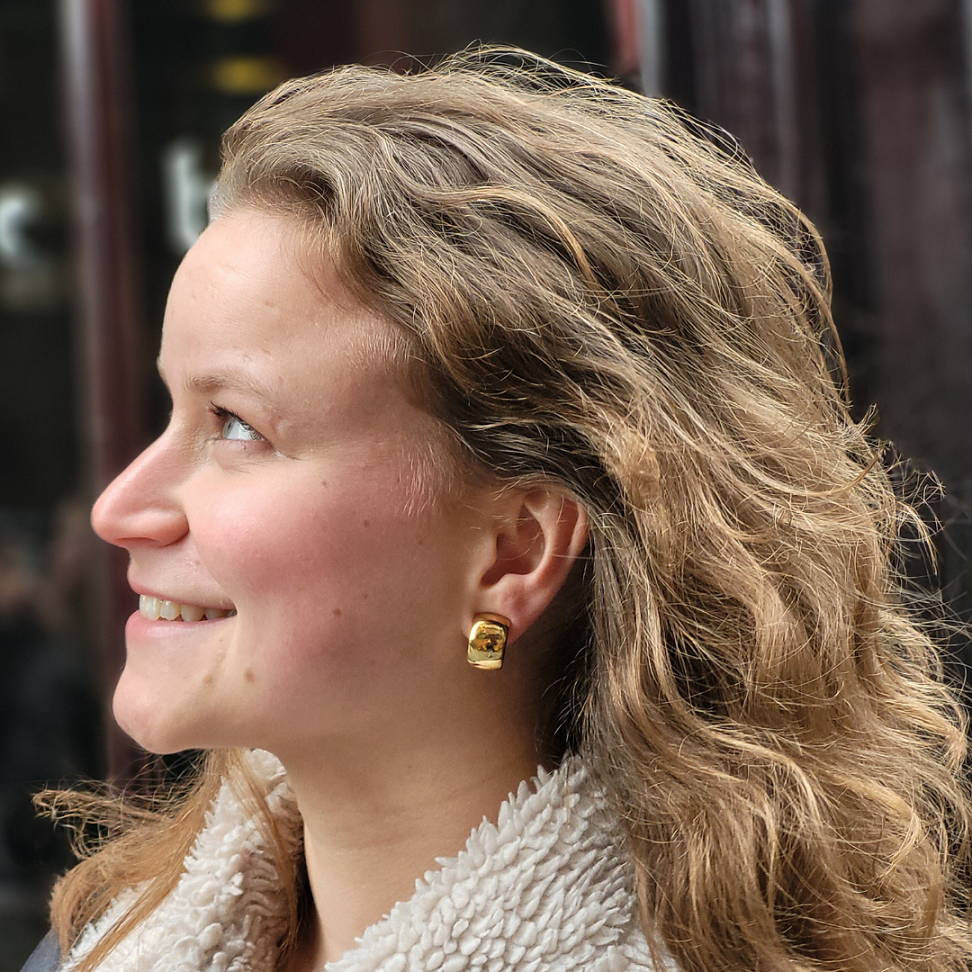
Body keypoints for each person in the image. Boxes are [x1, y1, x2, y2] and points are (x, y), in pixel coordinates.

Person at [28, 48, 972, 972]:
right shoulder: (103, 944)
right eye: (173, 410)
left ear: (515, 552)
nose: (120, 508)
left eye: (237, 426)